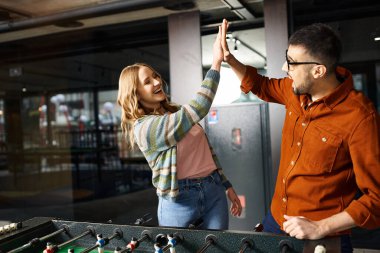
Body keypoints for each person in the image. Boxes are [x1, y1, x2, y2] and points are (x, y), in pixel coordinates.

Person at [220, 19, 380, 252]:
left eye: (292, 63)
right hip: (276, 220)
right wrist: (229, 59)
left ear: (318, 70)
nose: (285, 68)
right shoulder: (294, 91)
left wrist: (321, 227)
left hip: (320, 234)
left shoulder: (360, 117)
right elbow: (260, 85)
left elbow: (376, 198)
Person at [117, 24, 242, 230]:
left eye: (155, 76)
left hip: (213, 191)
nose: (157, 82)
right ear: (136, 94)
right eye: (147, 81)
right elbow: (200, 106)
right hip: (179, 200)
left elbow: (207, 152)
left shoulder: (174, 112)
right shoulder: (145, 128)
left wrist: (226, 184)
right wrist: (216, 62)